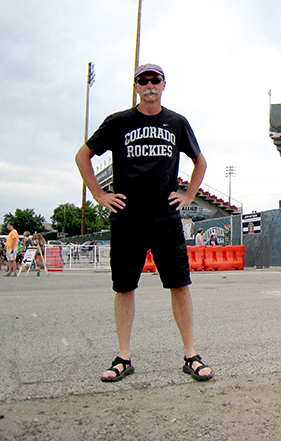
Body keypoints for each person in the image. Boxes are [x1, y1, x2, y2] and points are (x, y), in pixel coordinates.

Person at [75, 63, 212, 383]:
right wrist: (98, 194)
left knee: (180, 284)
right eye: (143, 80)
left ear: (164, 84)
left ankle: (191, 354)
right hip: (128, 217)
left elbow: (200, 161)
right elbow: (83, 155)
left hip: (165, 216)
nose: (149, 84)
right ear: (136, 86)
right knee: (124, 287)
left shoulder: (177, 122)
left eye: (155, 79)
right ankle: (123, 357)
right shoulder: (119, 122)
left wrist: (189, 195)